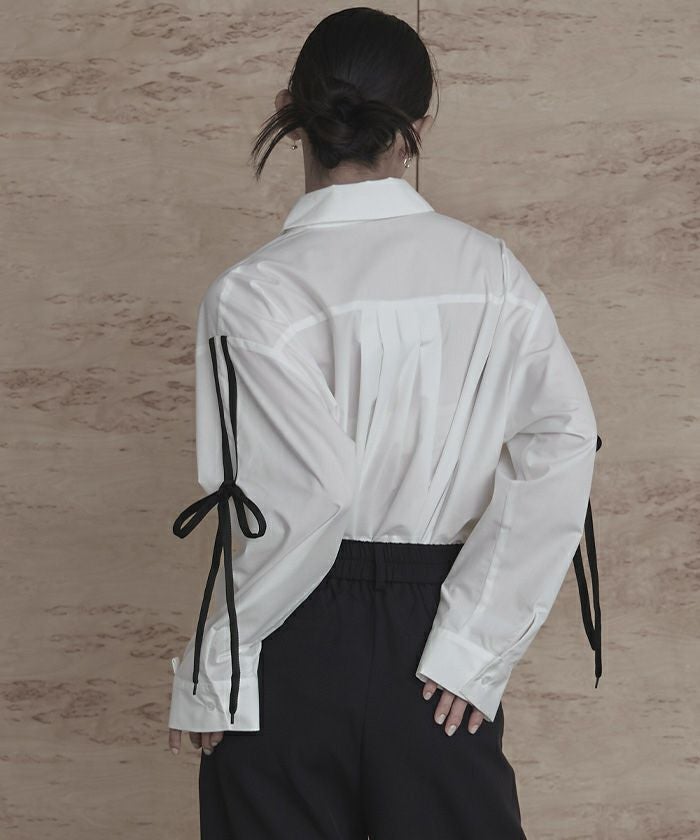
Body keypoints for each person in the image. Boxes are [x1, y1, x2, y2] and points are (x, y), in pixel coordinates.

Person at [166, 7, 602, 839]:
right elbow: (562, 440)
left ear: (292, 112)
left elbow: (308, 500)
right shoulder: (492, 275)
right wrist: (474, 645)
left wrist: (216, 666)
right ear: (417, 128)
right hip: (431, 637)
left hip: (290, 644)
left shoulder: (251, 293)